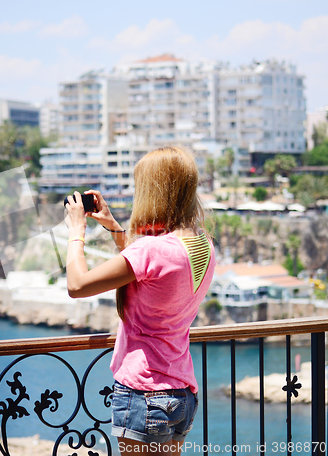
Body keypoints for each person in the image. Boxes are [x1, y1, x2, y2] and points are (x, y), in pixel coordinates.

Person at [65, 146, 216, 456]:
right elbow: (150, 270)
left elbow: (77, 285)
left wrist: (76, 231)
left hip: (144, 393)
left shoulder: (151, 249)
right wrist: (112, 225)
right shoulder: (201, 244)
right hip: (181, 392)